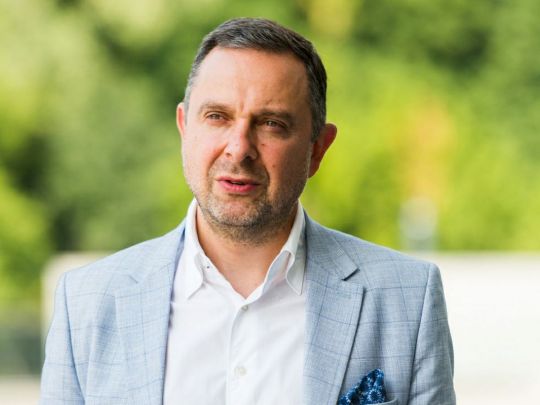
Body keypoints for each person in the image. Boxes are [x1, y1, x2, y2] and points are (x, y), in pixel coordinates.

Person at [40, 18, 455, 405]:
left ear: (317, 149)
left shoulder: (407, 300)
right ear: (185, 128)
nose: (239, 149)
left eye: (271, 123)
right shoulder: (87, 303)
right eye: (217, 116)